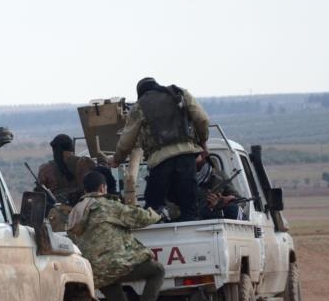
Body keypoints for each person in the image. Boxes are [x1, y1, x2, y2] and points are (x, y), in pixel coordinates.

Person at [67, 171, 168, 301]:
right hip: (115, 265)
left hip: (94, 273)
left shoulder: (75, 212)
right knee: (157, 270)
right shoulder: (106, 206)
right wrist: (160, 214)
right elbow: (138, 218)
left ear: (85, 189)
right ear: (103, 188)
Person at [111, 77, 210, 222]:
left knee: (153, 210)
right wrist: (203, 141)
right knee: (190, 208)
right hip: (186, 159)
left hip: (160, 162)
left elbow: (127, 140)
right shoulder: (179, 93)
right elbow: (202, 120)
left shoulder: (139, 106)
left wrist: (116, 159)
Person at [37, 134, 96, 230]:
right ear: (71, 147)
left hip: (58, 222)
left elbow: (39, 197)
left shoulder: (45, 170)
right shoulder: (85, 163)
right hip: (85, 216)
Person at [196, 152, 244, 220]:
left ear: (203, 155)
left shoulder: (220, 177)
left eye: (195, 155)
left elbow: (240, 202)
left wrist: (221, 202)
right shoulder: (181, 180)